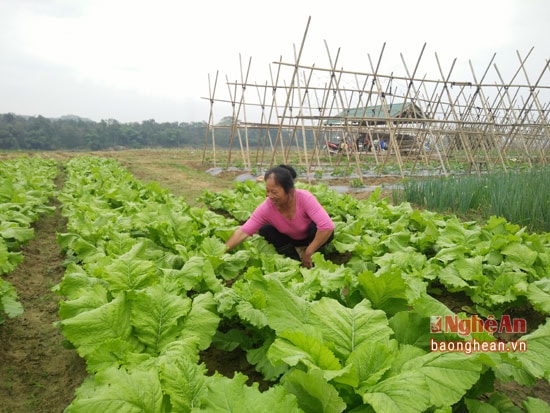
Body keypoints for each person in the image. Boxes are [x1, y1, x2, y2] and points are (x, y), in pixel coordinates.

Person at [225, 165, 334, 268]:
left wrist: (309, 252)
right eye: (268, 191)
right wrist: (221, 252)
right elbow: (243, 232)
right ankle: (293, 258)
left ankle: (314, 253)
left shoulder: (305, 198)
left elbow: (327, 227)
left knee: (318, 227)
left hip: (311, 238)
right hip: (291, 240)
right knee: (266, 229)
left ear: (290, 191)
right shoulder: (266, 207)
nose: (270, 196)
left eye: (274, 192)